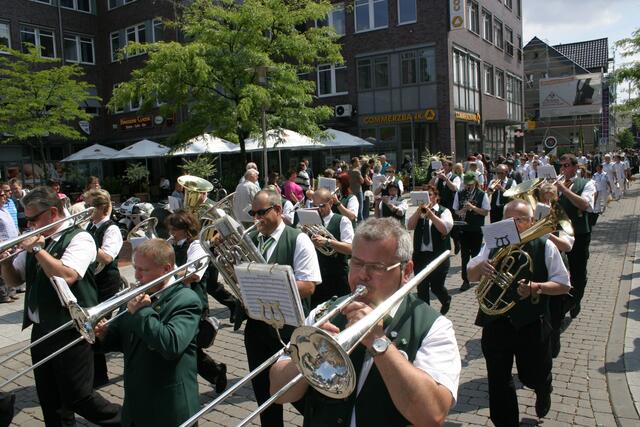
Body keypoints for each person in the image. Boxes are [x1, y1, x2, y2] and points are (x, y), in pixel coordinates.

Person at [269, 217, 461, 427]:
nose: (362, 275)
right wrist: (309, 353)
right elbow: (278, 392)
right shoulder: (324, 312)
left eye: (376, 267)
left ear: (406, 271)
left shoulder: (434, 327)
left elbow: (432, 415)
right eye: (356, 262)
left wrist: (378, 342)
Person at [0, 186, 121, 426]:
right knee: (50, 398)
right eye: (26, 220)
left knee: (79, 396)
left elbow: (67, 275)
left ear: (53, 213)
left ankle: (128, 420)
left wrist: (37, 250)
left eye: (33, 219)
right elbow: (15, 280)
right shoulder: (38, 240)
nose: (29, 225)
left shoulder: (79, 238)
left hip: (70, 329)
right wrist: (4, 262)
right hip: (41, 329)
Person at [467, 199, 570, 425]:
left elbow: (563, 284)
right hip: (496, 321)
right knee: (498, 380)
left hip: (531, 322)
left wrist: (537, 287)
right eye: (509, 220)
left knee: (533, 375)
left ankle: (544, 387)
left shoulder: (545, 245)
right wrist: (479, 268)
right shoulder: (491, 243)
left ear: (532, 221)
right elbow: (471, 275)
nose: (515, 224)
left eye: (521, 219)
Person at [94, 239, 201, 427]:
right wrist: (103, 335)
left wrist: (142, 312)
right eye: (135, 268)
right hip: (135, 405)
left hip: (169, 407)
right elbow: (123, 338)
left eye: (143, 270)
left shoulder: (186, 299)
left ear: (166, 269)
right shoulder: (137, 294)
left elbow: (171, 345)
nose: (136, 275)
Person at [245, 190, 321, 427]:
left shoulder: (298, 239)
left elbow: (309, 285)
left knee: (300, 394)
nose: (256, 218)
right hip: (256, 327)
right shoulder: (251, 239)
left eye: (261, 213)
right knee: (264, 398)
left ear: (278, 210)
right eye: (253, 213)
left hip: (288, 329)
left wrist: (266, 285)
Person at [166, 210, 228, 393]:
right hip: (176, 300)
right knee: (186, 346)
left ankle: (214, 372)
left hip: (194, 302)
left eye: (174, 229)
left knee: (187, 346)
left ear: (186, 229)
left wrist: (167, 272)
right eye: (170, 229)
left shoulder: (197, 246)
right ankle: (215, 372)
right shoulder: (173, 245)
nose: (171, 233)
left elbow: (193, 275)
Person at [84, 189, 124, 388]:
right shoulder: (89, 226)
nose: (85, 210)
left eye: (88, 206)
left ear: (102, 208)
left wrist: (83, 243)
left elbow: (107, 257)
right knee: (90, 327)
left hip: (106, 282)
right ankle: (94, 373)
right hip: (92, 281)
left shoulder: (112, 229)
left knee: (96, 326)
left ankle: (99, 376)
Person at [555, 154, 596, 319]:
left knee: (578, 271)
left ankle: (575, 300)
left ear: (575, 167)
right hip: (559, 233)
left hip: (579, 234)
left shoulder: (587, 183)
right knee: (559, 269)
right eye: (561, 166)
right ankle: (563, 302)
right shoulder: (556, 184)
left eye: (566, 166)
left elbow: (585, 205)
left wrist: (563, 189)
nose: (562, 169)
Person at [407, 185, 453, 314]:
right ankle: (426, 317)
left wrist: (431, 214)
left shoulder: (444, 211)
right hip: (420, 256)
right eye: (424, 195)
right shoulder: (418, 211)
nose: (427, 198)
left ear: (436, 197)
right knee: (422, 289)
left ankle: (446, 299)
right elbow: (409, 226)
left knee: (436, 287)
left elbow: (445, 229)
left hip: (438, 256)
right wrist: (418, 212)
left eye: (429, 195)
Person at [307, 187, 354, 308]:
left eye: (322, 206)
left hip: (338, 277)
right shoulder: (311, 221)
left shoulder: (342, 220)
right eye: (315, 206)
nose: (318, 209)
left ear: (331, 203)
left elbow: (351, 248)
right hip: (318, 277)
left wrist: (327, 242)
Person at [453, 172, 489, 291]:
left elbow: (485, 212)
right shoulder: (459, 194)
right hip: (464, 229)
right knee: (464, 256)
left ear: (475, 183)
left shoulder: (482, 194)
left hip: (476, 229)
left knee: (476, 255)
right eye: (466, 184)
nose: (468, 186)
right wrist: (462, 210)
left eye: (470, 184)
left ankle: (477, 276)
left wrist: (473, 208)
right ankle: (466, 280)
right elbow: (456, 211)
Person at [0, 186, 19, 303]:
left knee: (12, 266)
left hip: (12, 244)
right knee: (2, 270)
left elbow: (12, 223)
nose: (5, 197)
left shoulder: (4, 209)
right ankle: (3, 295)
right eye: (2, 195)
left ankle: (11, 292)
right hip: (3, 245)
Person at [348, 157, 365, 222]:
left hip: (351, 192)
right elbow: (362, 181)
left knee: (352, 208)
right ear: (354, 163)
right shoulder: (357, 171)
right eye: (358, 161)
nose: (359, 162)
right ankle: (361, 224)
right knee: (360, 209)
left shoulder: (348, 171)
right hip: (358, 191)